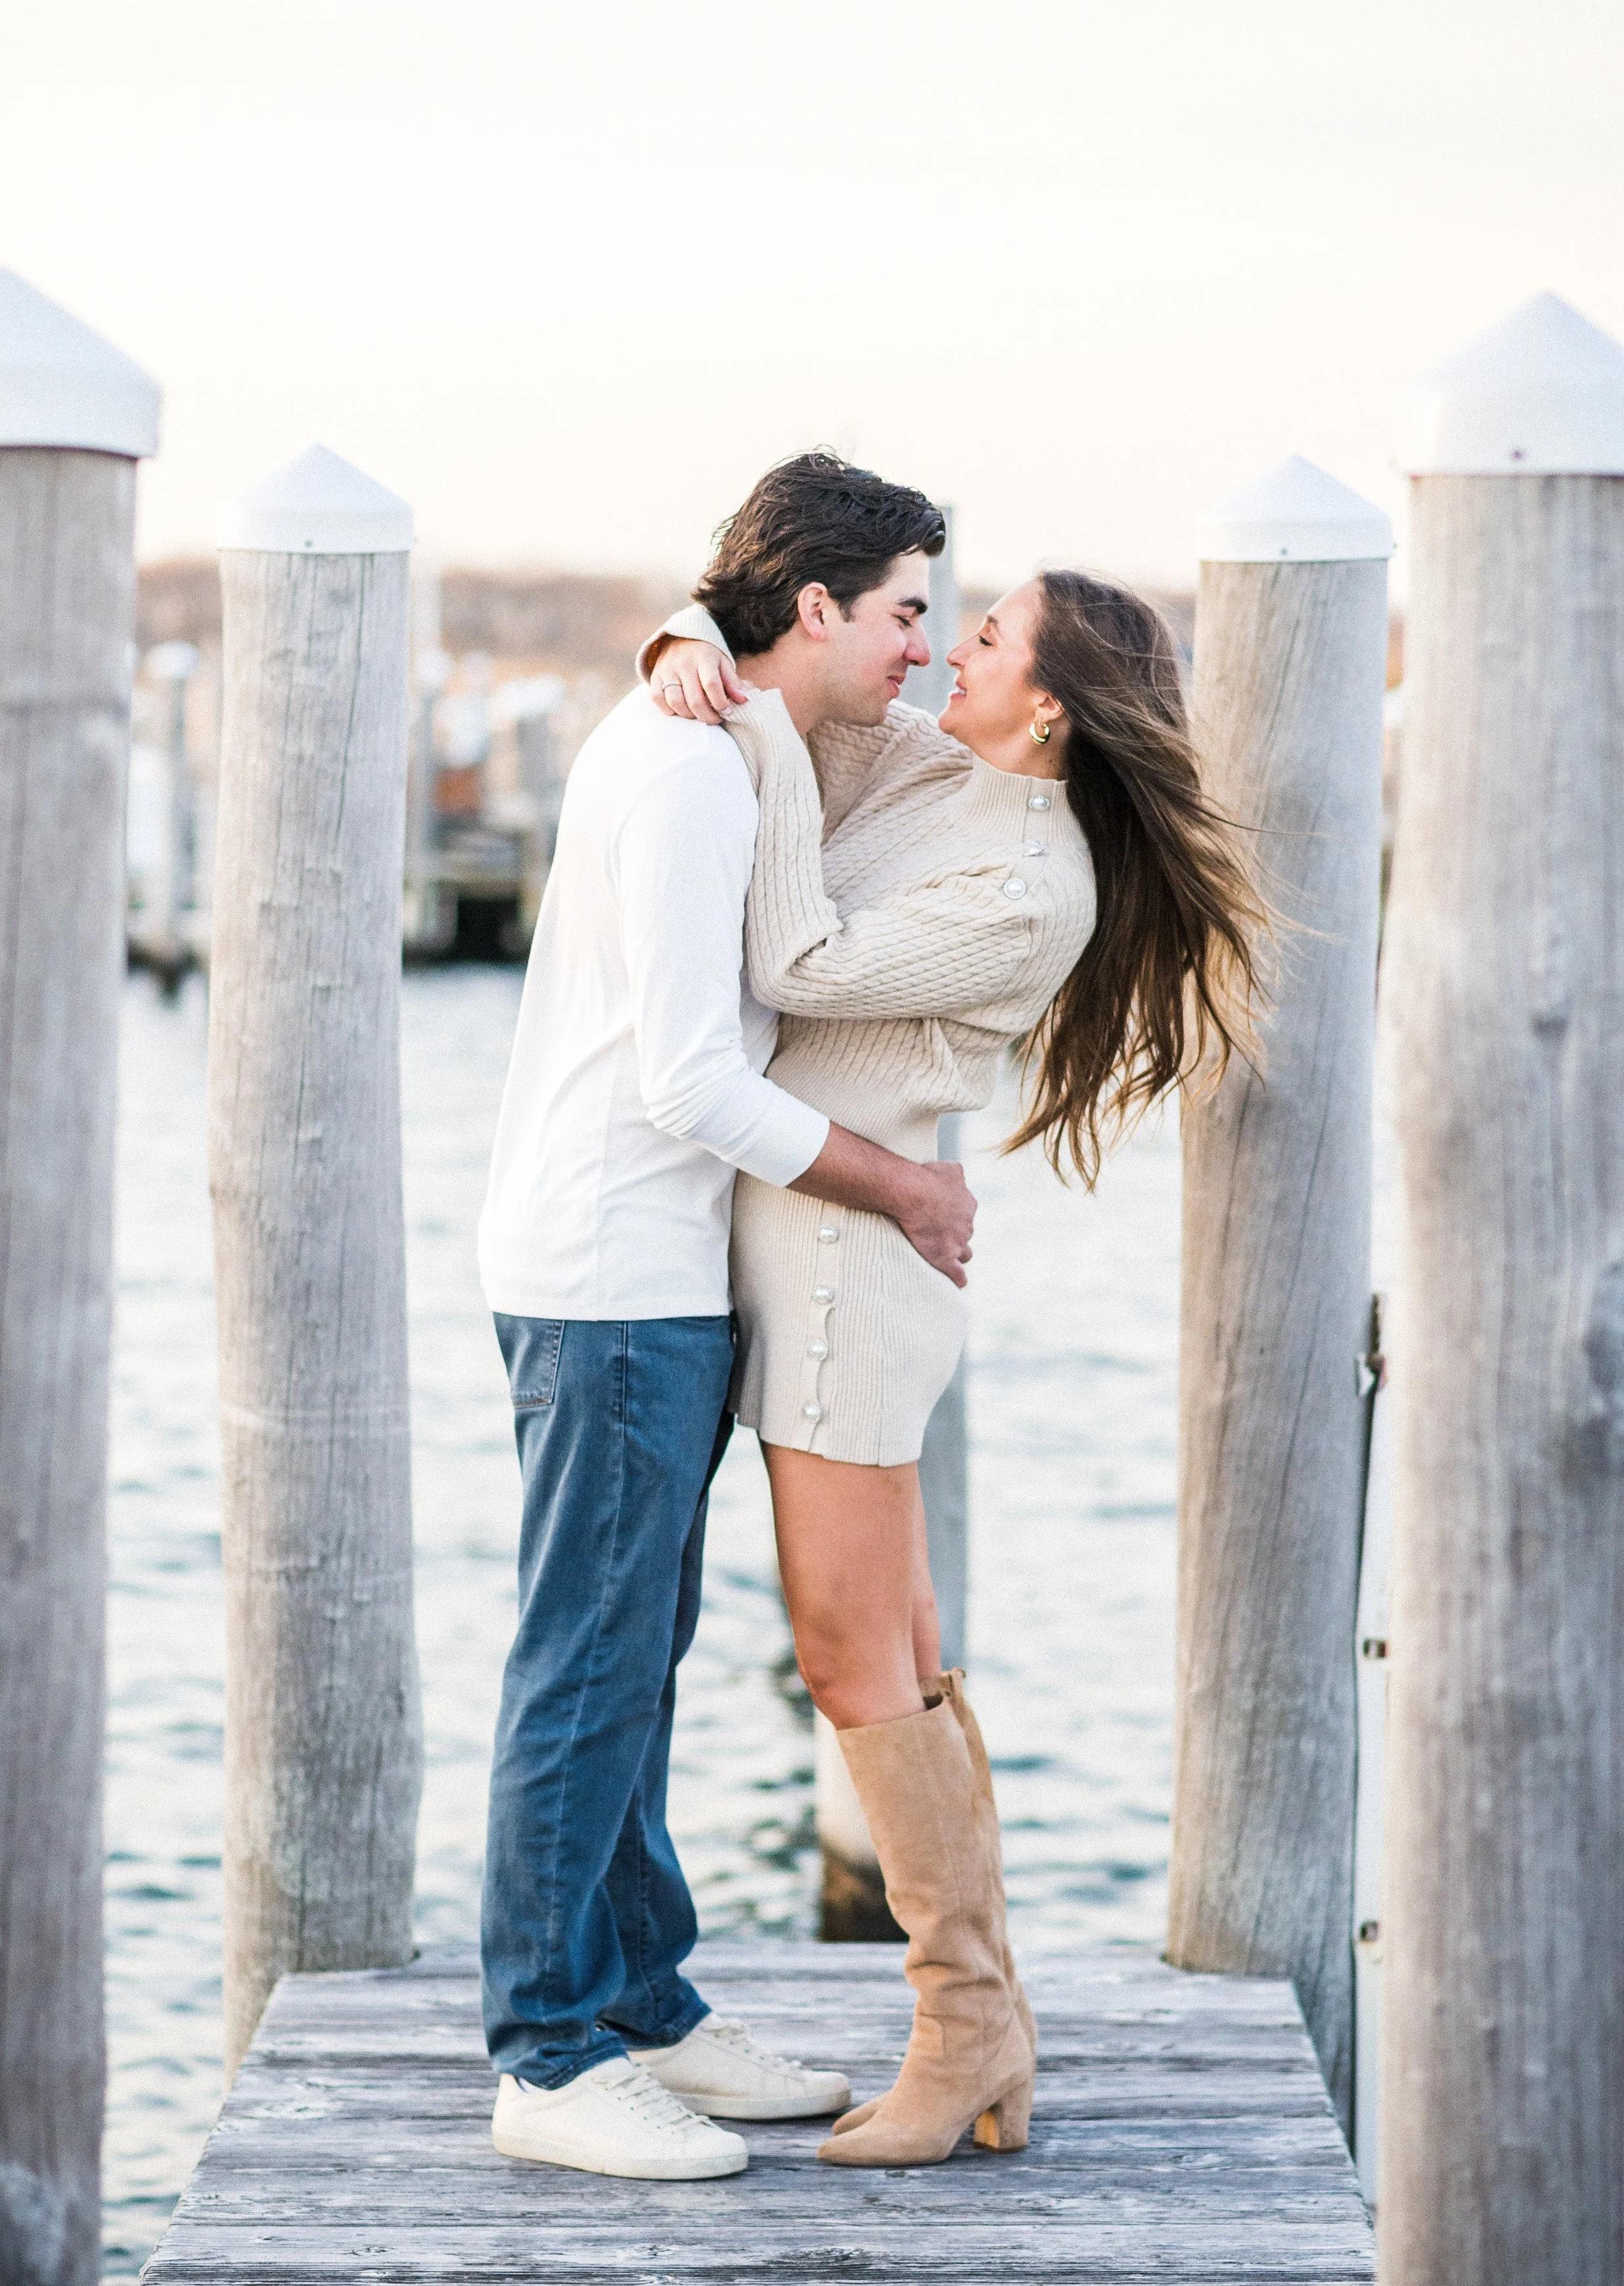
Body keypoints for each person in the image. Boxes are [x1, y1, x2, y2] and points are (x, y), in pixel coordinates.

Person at [643, 545, 1264, 2167]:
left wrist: (764, 741)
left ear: (1048, 707)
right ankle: (985, 2025)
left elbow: (794, 971)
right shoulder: (932, 766)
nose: (947, 654)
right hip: (813, 1255)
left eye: (980, 638)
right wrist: (680, 647)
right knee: (899, 1652)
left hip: (852, 1285)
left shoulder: (1032, 885)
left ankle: (955, 2021)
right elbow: (789, 698)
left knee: (851, 1661)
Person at [475, 455, 981, 2181]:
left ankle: (643, 2004)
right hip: (611, 1272)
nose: (925, 641)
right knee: (589, 1668)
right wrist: (897, 1183)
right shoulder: (691, 765)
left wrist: (682, 629)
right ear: (818, 605)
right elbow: (695, 1075)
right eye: (906, 608)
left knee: (638, 1653)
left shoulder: (727, 728)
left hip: (650, 1274)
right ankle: (549, 2051)